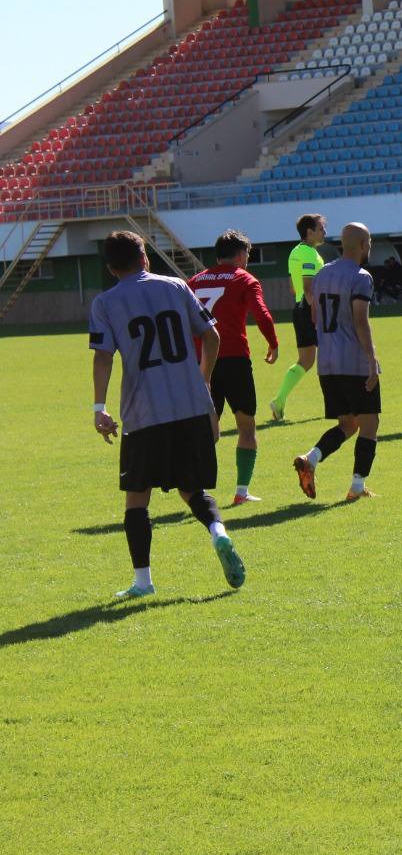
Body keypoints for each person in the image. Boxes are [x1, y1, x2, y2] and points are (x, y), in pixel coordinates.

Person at [91, 230, 246, 598]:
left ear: (111, 268)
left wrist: (99, 407)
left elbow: (103, 355)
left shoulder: (105, 303)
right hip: (191, 406)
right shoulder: (176, 286)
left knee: (137, 496)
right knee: (192, 487)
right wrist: (202, 383)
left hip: (144, 412)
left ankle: (143, 582)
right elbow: (212, 337)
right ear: (145, 257)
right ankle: (218, 532)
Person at [188, 229, 278, 506]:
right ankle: (241, 492)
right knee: (246, 427)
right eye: (248, 254)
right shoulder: (244, 279)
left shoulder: (193, 281)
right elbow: (262, 313)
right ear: (240, 254)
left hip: (202, 364)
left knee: (207, 431)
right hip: (235, 360)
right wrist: (273, 343)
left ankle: (194, 490)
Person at [293, 222, 381, 502]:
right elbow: (360, 321)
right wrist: (372, 359)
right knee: (369, 424)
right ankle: (357, 488)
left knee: (348, 423)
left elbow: (316, 318)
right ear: (363, 244)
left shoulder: (322, 274)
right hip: (353, 361)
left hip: (327, 363)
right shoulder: (361, 277)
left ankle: (311, 458)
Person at [269, 213, 325, 421]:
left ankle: (279, 401)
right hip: (311, 309)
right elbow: (309, 288)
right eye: (320, 228)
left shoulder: (296, 252)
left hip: (300, 307)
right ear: (309, 232)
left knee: (306, 360)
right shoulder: (310, 254)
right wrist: (316, 313)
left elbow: (294, 288)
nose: (324, 232)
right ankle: (336, 405)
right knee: (324, 357)